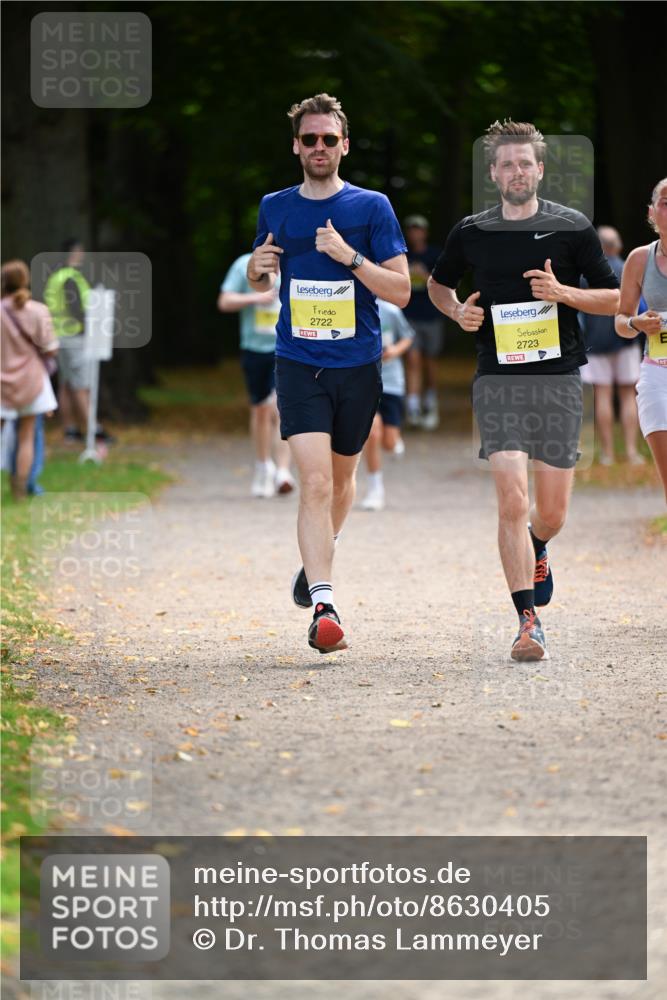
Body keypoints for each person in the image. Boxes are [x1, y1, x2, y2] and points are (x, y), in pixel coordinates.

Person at [428, 119, 619, 662]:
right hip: (498, 379)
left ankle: (539, 544)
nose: (516, 172)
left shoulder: (571, 227)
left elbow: (615, 299)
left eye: (525, 163)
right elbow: (438, 284)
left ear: (540, 169)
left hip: (557, 379)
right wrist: (457, 312)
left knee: (551, 513)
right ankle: (527, 622)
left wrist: (563, 292)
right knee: (512, 498)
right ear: (493, 173)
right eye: (506, 164)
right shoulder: (471, 232)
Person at [247, 93, 409, 653]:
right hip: (297, 361)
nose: (319, 147)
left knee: (341, 482)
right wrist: (256, 270)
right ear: (296, 146)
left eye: (329, 139)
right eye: (309, 139)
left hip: (357, 364)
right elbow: (261, 275)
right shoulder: (275, 206)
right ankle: (324, 606)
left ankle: (321, 550)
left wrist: (350, 257)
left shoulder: (372, 207)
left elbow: (402, 291)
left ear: (344, 145)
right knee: (314, 482)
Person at [217, 254, 295, 498]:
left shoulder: (297, 261)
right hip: (255, 349)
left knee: (280, 407)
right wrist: (255, 297)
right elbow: (224, 301)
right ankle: (263, 466)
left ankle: (283, 471)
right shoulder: (245, 264)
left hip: (287, 349)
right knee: (260, 410)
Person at [615, 177, 667, 503]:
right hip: (657, 375)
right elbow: (621, 320)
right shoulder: (639, 259)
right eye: (666, 203)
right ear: (652, 212)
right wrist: (636, 322)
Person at [579, 226, 643, 465]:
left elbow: (578, 313)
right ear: (617, 245)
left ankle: (607, 453)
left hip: (595, 344)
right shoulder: (629, 269)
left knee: (603, 395)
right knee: (628, 394)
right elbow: (642, 307)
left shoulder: (585, 274)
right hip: (626, 340)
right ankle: (632, 452)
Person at [1, 260, 59, 499]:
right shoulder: (38, 310)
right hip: (31, 382)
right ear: (25, 281)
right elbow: (51, 349)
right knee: (26, 436)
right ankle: (20, 490)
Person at [361, 299, 414, 510]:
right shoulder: (353, 307)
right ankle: (375, 488)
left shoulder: (390, 311)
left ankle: (393, 441)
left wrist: (394, 351)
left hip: (392, 382)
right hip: (364, 382)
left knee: (389, 443)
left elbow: (408, 337)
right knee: (372, 432)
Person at [402, 215, 444, 430]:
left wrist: (424, 274)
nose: (415, 233)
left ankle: (431, 402)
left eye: (418, 229)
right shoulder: (402, 255)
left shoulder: (435, 254)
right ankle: (413, 407)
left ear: (425, 232)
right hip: (409, 316)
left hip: (432, 315)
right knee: (413, 359)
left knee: (430, 362)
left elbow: (444, 284)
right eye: (411, 229)